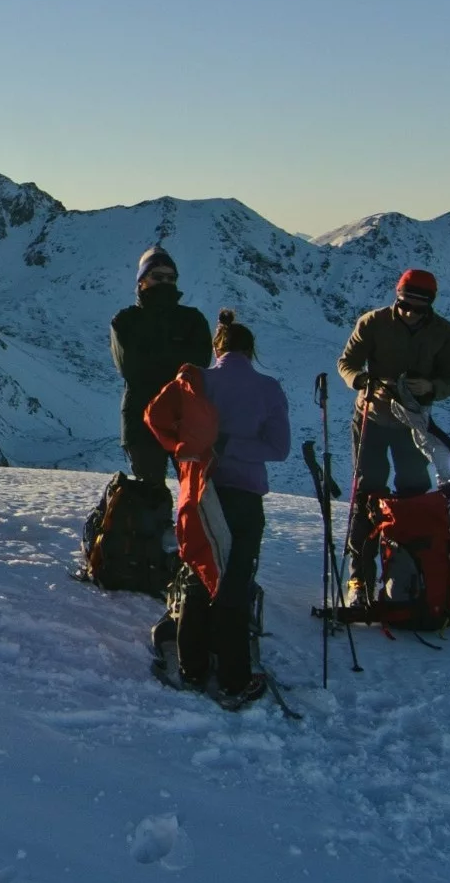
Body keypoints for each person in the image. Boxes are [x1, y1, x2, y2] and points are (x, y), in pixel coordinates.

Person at [168, 309, 291, 706]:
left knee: (198, 574)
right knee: (234, 583)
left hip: (204, 494)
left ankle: (191, 668)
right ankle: (234, 679)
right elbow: (279, 448)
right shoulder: (269, 389)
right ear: (250, 350)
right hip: (245, 498)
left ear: (217, 348)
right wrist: (235, 446)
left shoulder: (200, 381)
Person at [336, 267, 450, 602]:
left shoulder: (444, 333)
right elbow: (347, 363)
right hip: (371, 418)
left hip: (413, 426)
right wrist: (363, 382)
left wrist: (432, 386)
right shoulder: (373, 322)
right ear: (397, 297)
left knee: (413, 498)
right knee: (368, 497)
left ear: (429, 305)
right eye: (404, 304)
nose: (408, 312)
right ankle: (358, 583)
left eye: (417, 307)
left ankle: (407, 581)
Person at [111, 247, 211, 488]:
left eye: (171, 277)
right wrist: (176, 364)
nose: (165, 282)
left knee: (198, 496)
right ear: (142, 280)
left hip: (184, 420)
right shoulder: (125, 320)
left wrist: (157, 359)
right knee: (150, 497)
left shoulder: (193, 319)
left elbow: (198, 368)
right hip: (143, 422)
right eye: (158, 276)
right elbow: (132, 369)